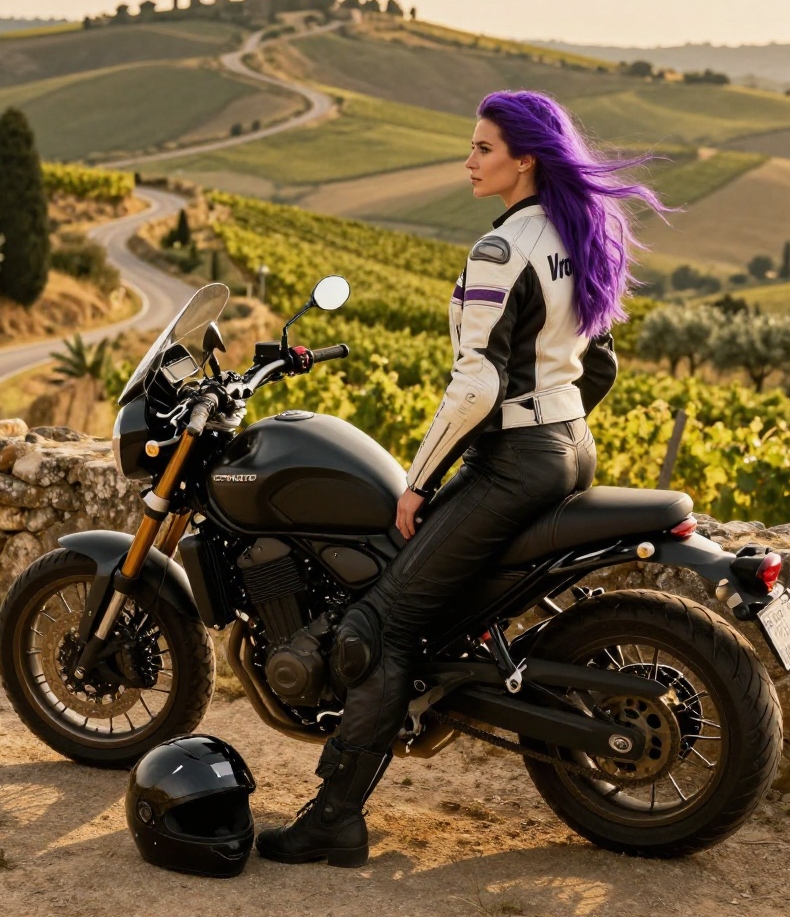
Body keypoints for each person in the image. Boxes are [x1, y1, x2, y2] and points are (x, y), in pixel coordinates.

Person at [255, 90, 667, 868]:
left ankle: (334, 820)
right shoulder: (580, 233)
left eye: (483, 149)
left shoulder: (502, 249)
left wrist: (418, 481)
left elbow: (475, 387)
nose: (468, 162)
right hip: (568, 447)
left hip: (515, 462)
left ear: (525, 160)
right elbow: (599, 364)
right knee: (429, 605)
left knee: (378, 627)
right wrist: (553, 423)